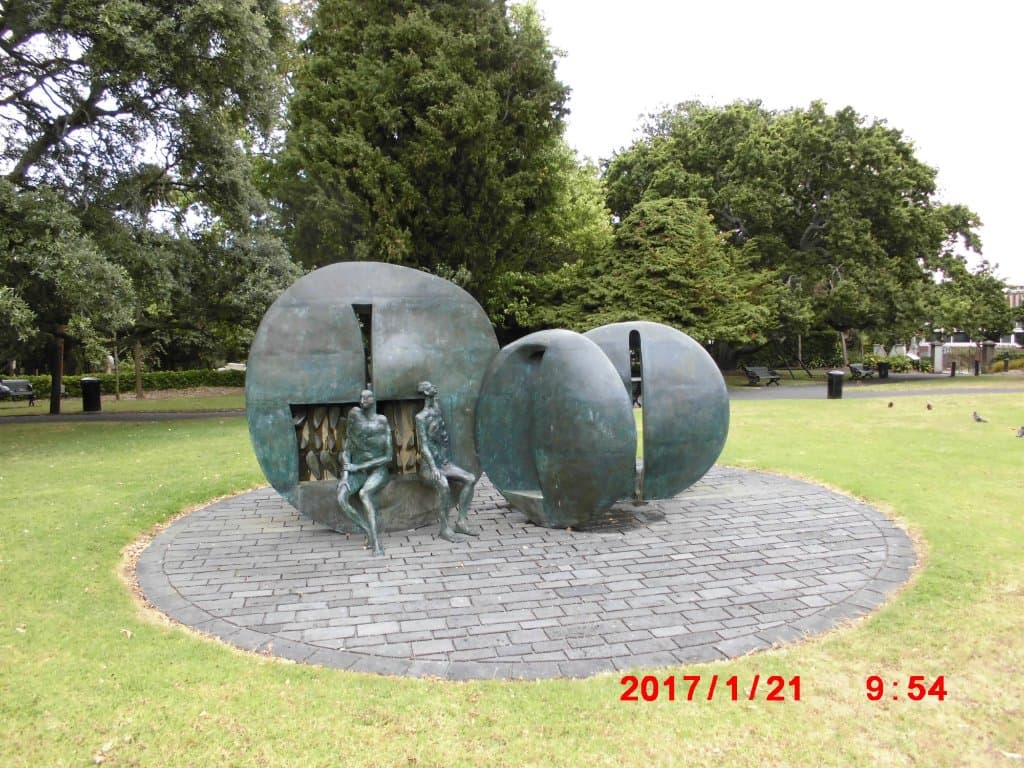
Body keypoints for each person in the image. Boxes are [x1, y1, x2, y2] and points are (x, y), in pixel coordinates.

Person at [415, 381, 478, 542]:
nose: (434, 388)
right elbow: (423, 446)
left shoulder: (437, 409)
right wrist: (433, 468)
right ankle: (444, 528)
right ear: (424, 393)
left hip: (444, 463)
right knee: (443, 485)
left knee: (470, 479)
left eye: (433, 385)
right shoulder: (420, 418)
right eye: (430, 387)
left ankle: (461, 522)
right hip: (429, 467)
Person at [336, 389, 393, 555]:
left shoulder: (382, 421)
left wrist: (358, 467)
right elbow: (347, 448)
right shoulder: (354, 415)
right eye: (361, 397)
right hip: (356, 471)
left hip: (377, 471)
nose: (362, 400)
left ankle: (376, 543)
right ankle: (367, 530)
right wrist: (345, 475)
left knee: (365, 494)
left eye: (367, 397)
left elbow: (388, 456)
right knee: (341, 498)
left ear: (374, 399)